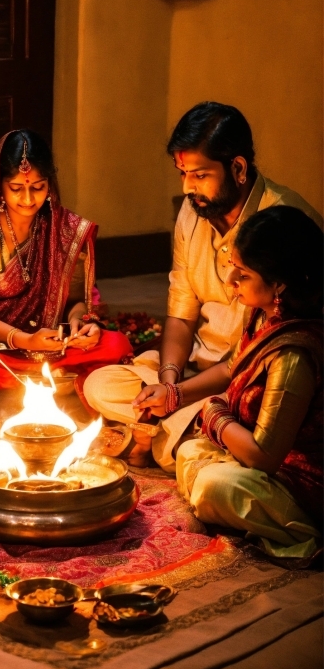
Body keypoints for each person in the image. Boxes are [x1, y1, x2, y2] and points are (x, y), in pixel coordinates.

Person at [84, 102, 322, 466]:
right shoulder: (192, 212)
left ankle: (176, 436)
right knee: (99, 385)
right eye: (182, 173)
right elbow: (181, 311)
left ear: (238, 168)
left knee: (192, 448)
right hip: (195, 372)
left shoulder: (283, 223)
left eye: (199, 175)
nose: (186, 186)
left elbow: (253, 359)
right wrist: (168, 381)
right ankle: (181, 434)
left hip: (251, 383)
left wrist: (177, 397)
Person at [165, 207, 320, 561]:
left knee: (214, 487)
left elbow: (264, 457)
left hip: (301, 480)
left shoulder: (294, 353)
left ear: (279, 283)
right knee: (188, 451)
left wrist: (214, 414)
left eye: (244, 273)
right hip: (248, 450)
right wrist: (175, 392)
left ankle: (303, 529)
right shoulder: (263, 314)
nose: (231, 278)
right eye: (233, 264)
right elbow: (233, 368)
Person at [0, 130, 132, 388]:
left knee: (116, 344)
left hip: (49, 344)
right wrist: (24, 340)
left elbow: (76, 302)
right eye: (16, 188)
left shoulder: (66, 229)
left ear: (49, 184)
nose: (28, 198)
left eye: (37, 187)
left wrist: (80, 323)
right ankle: (54, 381)